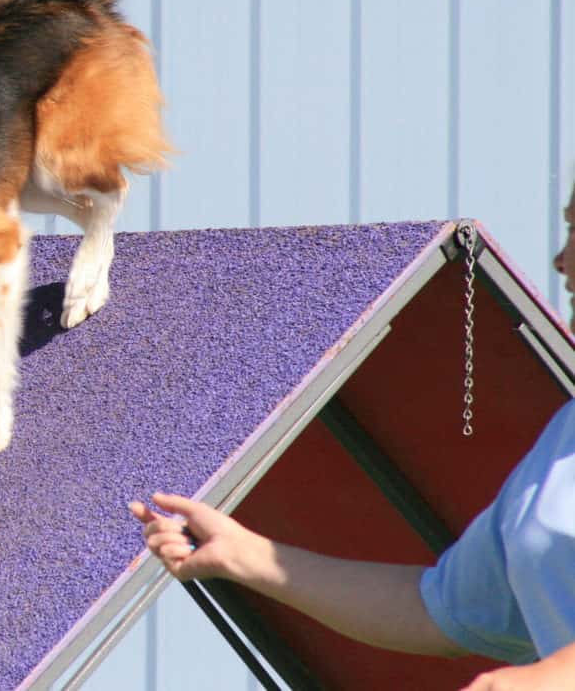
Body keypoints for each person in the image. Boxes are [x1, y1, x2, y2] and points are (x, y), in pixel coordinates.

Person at [131, 181, 575, 691]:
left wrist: (542, 680)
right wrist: (243, 554)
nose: (561, 260)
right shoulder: (563, 434)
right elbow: (439, 608)